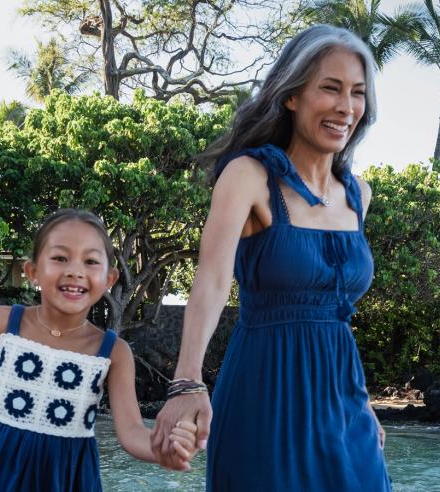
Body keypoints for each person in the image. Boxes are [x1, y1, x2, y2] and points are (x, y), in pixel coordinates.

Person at [149, 24, 390, 490]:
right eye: (330, 88)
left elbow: (334, 316)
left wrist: (361, 403)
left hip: (345, 407)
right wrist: (186, 382)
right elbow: (212, 280)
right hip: (266, 394)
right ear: (292, 96)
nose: (346, 107)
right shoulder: (249, 176)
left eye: (358, 93)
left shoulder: (360, 194)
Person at [0, 209, 199, 491]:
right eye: (60, 258)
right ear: (32, 271)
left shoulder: (113, 352)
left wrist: (164, 448)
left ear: (109, 279)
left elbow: (132, 432)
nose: (75, 270)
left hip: (61, 477)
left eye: (91, 261)